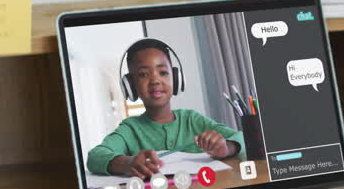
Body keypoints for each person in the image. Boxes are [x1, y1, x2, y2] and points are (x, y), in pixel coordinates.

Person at [88, 38, 243, 181]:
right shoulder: (129, 129)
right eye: (143, 74)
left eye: (163, 72)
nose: (155, 80)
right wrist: (127, 163)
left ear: (176, 78)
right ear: (131, 85)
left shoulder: (192, 120)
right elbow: (95, 157)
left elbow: (242, 138)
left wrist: (227, 147)